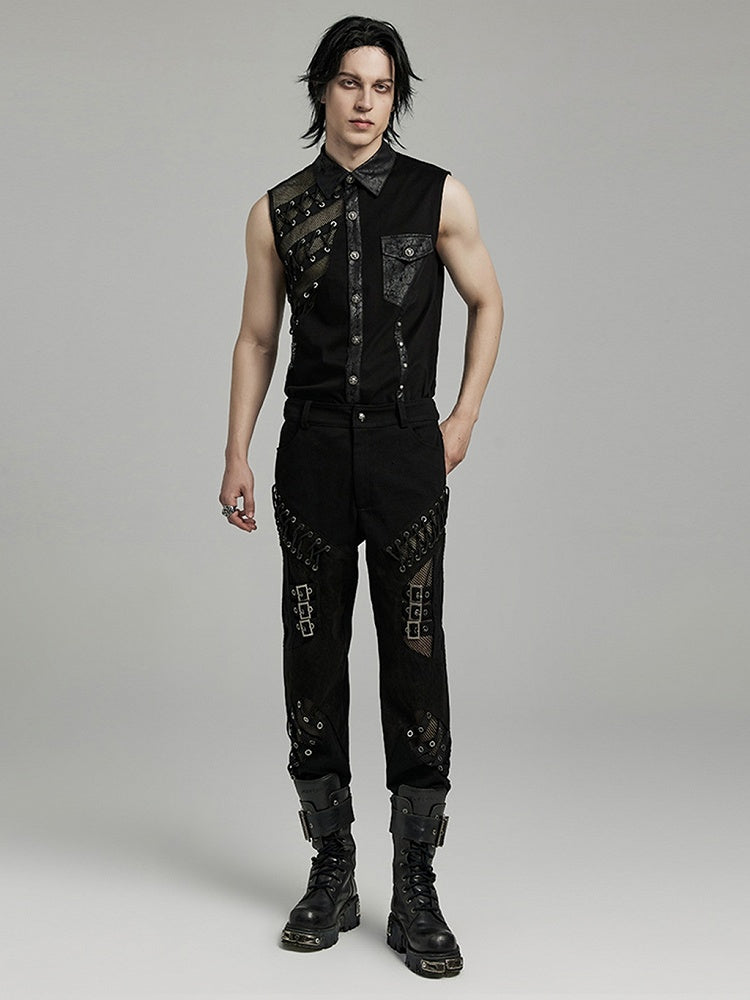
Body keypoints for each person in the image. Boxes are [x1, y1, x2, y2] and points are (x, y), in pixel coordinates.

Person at [219, 15, 503, 979]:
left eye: (382, 87)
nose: (365, 102)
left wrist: (462, 416)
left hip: (405, 454)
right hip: (309, 452)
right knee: (312, 653)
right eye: (350, 83)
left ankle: (416, 884)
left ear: (397, 97)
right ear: (321, 90)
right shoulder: (278, 210)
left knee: (415, 653)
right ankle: (331, 868)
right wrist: (236, 451)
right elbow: (257, 338)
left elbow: (488, 301)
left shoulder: (437, 195)